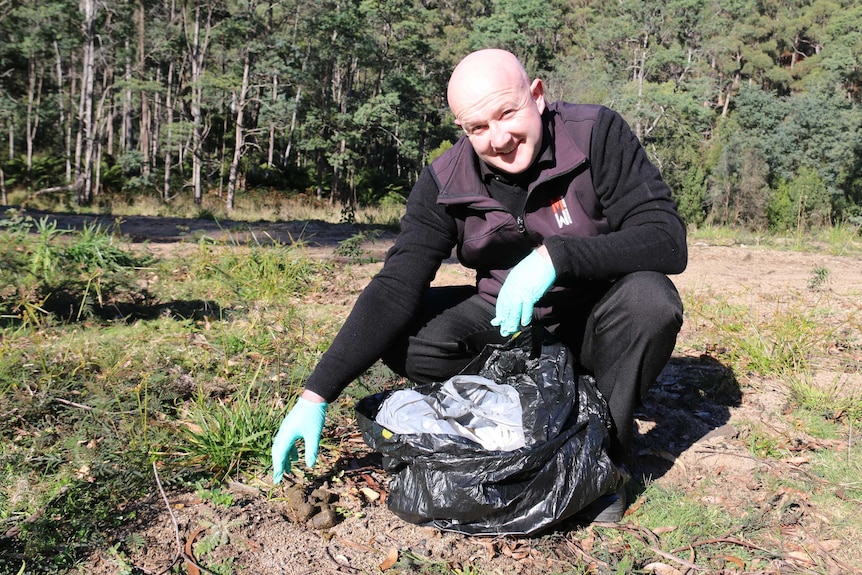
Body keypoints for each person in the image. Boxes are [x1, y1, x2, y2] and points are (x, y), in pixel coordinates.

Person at [272, 48, 687, 522]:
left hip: (600, 323)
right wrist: (316, 394)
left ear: (537, 96)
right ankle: (534, 402)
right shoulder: (444, 181)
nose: (500, 138)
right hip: (516, 332)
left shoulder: (596, 134)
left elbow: (666, 238)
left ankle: (599, 457)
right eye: (478, 127)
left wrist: (558, 256)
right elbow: (394, 286)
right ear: (462, 129)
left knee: (651, 301)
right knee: (406, 336)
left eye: (507, 113)